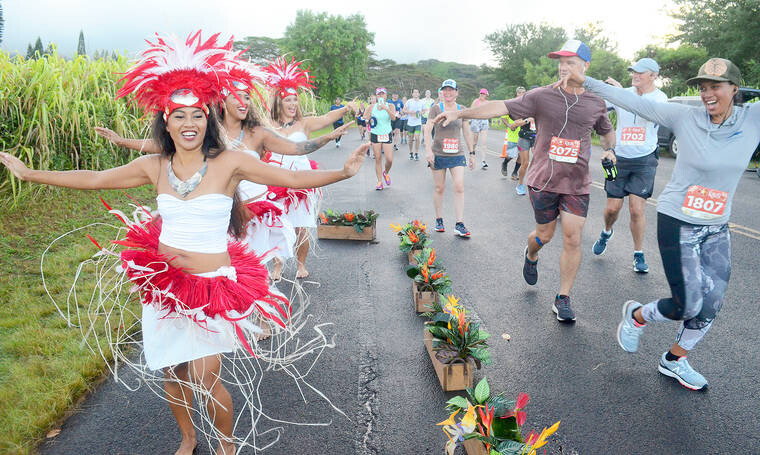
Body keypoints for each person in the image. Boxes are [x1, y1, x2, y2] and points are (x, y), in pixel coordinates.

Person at [0, 31, 367, 455]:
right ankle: (188, 438)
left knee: (207, 377)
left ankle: (226, 445)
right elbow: (96, 179)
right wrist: (31, 174)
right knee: (172, 374)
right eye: (179, 115)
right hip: (165, 289)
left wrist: (342, 173)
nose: (189, 123)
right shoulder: (154, 165)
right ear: (166, 121)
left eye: (197, 115)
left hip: (210, 288)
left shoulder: (230, 162)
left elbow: (291, 178)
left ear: (208, 120)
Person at [560, 57, 760, 390]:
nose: (707, 94)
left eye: (715, 87)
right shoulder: (686, 116)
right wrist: (586, 80)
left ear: (734, 89)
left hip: (716, 226)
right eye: (703, 87)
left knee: (711, 304)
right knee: (688, 304)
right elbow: (632, 102)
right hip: (678, 220)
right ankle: (637, 316)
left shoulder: (753, 118)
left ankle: (674, 360)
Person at [434, 40, 616, 322]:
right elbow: (500, 107)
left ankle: (563, 297)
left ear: (586, 66)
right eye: (561, 62)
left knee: (573, 237)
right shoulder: (541, 96)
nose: (563, 67)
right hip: (543, 180)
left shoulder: (595, 102)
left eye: (570, 62)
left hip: (577, 183)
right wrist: (460, 113)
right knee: (544, 235)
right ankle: (531, 254)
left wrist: (610, 149)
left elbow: (606, 132)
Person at [262, 57, 359, 280]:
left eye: (295, 100)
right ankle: (277, 266)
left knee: (301, 226)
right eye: (287, 100)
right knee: (276, 224)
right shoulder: (267, 125)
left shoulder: (304, 124)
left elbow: (327, 117)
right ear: (278, 102)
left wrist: (346, 108)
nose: (292, 104)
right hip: (275, 178)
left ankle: (301, 265)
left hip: (302, 178)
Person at [591, 58, 668, 274]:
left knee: (636, 209)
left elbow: (648, 112)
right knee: (612, 209)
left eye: (640, 72)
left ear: (654, 76)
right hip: (619, 158)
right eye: (633, 71)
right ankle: (607, 232)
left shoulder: (660, 98)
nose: (635, 75)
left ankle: (638, 253)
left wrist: (620, 94)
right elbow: (597, 108)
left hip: (645, 159)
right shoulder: (622, 93)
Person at [424, 79, 475, 237]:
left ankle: (459, 224)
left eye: (451, 90)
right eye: (445, 90)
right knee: (439, 188)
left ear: (456, 92)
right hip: (438, 153)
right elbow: (427, 129)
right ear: (441, 92)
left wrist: (472, 153)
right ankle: (439, 220)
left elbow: (466, 132)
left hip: (457, 154)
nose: (448, 92)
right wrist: (428, 151)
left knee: (459, 186)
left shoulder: (462, 110)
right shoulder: (435, 108)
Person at [365, 87, 396, 190]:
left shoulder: (390, 105)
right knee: (378, 158)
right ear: (376, 96)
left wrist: (385, 108)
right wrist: (368, 120)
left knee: (389, 159)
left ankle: (385, 173)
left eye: (383, 94)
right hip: (375, 134)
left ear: (386, 96)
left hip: (386, 133)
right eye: (379, 94)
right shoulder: (371, 107)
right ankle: (379, 182)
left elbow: (393, 118)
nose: (381, 96)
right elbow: (366, 118)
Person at [470, 88, 491, 169]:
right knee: (474, 142)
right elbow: (471, 111)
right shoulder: (476, 101)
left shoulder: (487, 102)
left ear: (486, 95)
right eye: (481, 93)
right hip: (476, 121)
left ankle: (483, 161)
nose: (482, 95)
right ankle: (472, 155)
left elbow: (490, 112)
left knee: (484, 142)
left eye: (483, 94)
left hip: (484, 121)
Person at [404, 88, 424, 160]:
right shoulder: (409, 101)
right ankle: (411, 153)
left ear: (419, 94)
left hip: (418, 123)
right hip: (410, 124)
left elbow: (424, 110)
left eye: (417, 92)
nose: (416, 93)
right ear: (412, 94)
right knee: (411, 139)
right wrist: (409, 112)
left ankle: (416, 153)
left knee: (417, 137)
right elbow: (404, 110)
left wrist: (421, 112)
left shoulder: (421, 102)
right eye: (414, 92)